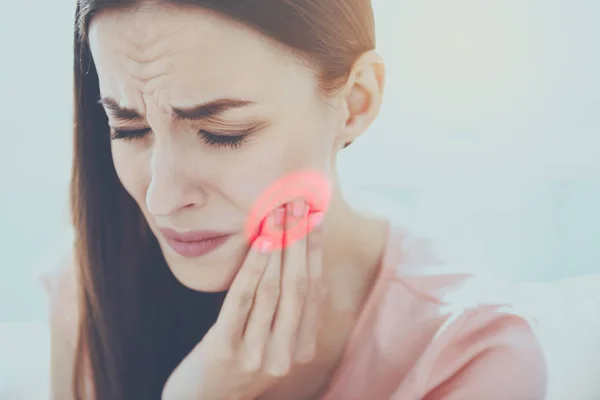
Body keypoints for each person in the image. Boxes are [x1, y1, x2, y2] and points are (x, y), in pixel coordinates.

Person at [42, 0, 548, 399]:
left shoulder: (470, 351)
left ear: (356, 102)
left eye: (223, 133)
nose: (161, 198)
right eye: (128, 129)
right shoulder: (89, 282)